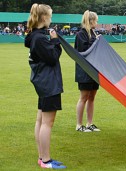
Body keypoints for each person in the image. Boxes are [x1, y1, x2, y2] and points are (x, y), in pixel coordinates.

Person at [24, 3, 66, 169]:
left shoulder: (35, 35)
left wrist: (51, 37)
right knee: (47, 122)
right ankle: (46, 161)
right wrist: (55, 41)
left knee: (41, 120)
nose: (51, 19)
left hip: (44, 82)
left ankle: (42, 158)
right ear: (43, 18)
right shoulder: (40, 38)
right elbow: (53, 57)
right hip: (48, 83)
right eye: (50, 16)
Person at [75, 10, 100, 132]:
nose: (97, 23)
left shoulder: (94, 34)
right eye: (96, 21)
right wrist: (96, 42)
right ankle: (79, 125)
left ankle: (89, 123)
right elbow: (83, 51)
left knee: (92, 97)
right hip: (84, 71)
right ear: (91, 21)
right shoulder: (81, 34)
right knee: (83, 97)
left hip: (94, 70)